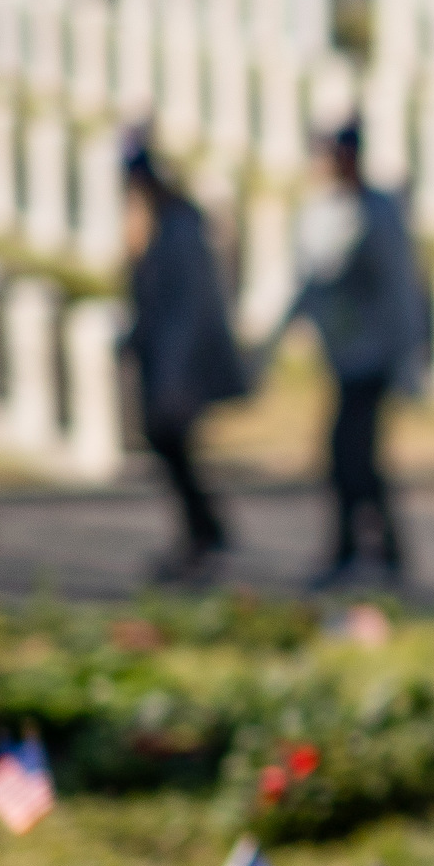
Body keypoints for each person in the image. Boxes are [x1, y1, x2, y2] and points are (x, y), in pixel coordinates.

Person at [282, 122, 426, 591]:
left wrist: (406, 362)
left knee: (350, 455)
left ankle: (360, 553)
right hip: (341, 355)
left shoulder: (378, 213)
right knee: (352, 457)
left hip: (372, 358)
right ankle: (378, 553)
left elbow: (399, 290)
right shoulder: (320, 211)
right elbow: (309, 282)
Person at [121, 142, 247, 582]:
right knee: (172, 452)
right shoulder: (151, 224)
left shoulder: (180, 227)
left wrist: (175, 379)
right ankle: (203, 533)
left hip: (181, 367)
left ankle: (203, 537)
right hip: (159, 361)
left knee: (175, 448)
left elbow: (188, 309)